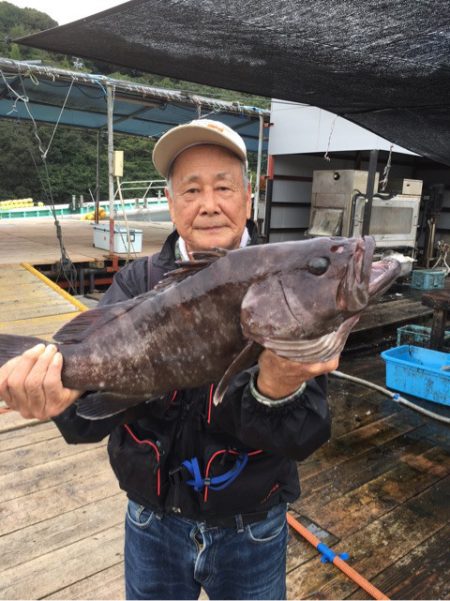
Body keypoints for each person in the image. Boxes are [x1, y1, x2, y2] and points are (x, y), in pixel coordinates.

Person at [0, 119, 338, 600]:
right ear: (172, 200)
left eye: (223, 187)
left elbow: (306, 434)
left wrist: (278, 388)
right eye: (191, 189)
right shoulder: (138, 283)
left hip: (252, 528)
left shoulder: (289, 279)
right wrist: (54, 396)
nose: (208, 204)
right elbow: (86, 417)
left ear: (247, 198)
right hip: (151, 522)